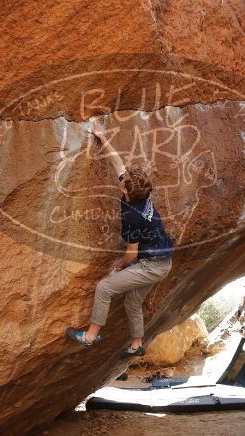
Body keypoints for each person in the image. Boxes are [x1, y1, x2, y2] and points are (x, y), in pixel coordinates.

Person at [65, 122, 173, 358]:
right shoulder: (141, 192)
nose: (121, 179)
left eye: (123, 181)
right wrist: (102, 137)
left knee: (104, 287)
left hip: (150, 265)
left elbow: (131, 255)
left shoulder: (132, 216)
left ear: (125, 192)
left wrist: (119, 265)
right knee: (133, 302)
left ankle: (90, 337)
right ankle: (137, 345)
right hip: (162, 262)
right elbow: (119, 164)